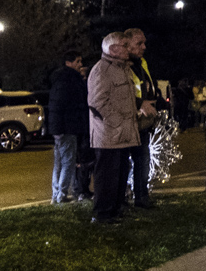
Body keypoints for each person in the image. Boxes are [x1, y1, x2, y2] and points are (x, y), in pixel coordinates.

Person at [87, 32, 139, 225]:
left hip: (122, 133)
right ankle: (103, 214)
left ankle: (115, 210)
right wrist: (116, 121)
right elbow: (97, 101)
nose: (128, 49)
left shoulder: (123, 69)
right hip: (108, 135)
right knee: (107, 175)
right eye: (125, 45)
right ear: (113, 49)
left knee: (120, 173)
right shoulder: (102, 70)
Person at [123, 28, 163, 209]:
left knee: (142, 160)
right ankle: (123, 198)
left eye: (144, 43)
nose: (143, 47)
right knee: (124, 163)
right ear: (127, 43)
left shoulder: (141, 63)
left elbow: (146, 86)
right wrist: (140, 103)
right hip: (126, 121)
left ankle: (141, 196)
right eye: (139, 43)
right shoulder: (122, 65)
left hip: (141, 122)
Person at [47, 50, 88, 204]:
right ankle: (61, 195)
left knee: (59, 162)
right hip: (68, 128)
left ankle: (56, 193)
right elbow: (72, 105)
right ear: (68, 63)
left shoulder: (59, 80)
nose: (80, 65)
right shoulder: (70, 81)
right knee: (68, 162)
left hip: (59, 128)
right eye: (77, 61)